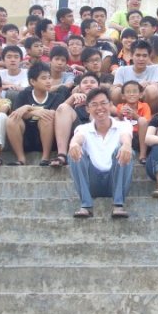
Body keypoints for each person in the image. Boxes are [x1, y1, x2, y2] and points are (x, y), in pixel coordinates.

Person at [68, 87, 134, 218]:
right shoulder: (83, 128)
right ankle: (86, 205)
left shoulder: (123, 125)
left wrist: (127, 145)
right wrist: (73, 144)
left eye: (103, 103)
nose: (99, 108)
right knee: (74, 151)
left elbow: (125, 137)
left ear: (110, 105)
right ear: (88, 109)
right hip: (93, 181)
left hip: (115, 179)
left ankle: (118, 204)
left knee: (125, 150)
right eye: (94, 104)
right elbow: (78, 138)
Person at [6, 62, 65, 166]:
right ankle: (21, 158)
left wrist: (29, 108)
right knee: (12, 120)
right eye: (44, 78)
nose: (48, 81)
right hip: (26, 137)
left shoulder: (57, 97)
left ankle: (45, 158)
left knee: (46, 118)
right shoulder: (24, 95)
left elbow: (52, 113)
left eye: (49, 78)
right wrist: (32, 110)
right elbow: (17, 113)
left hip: (47, 138)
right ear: (32, 81)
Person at [112, 40, 158, 112]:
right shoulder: (122, 70)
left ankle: (149, 116)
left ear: (149, 57)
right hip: (125, 105)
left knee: (152, 90)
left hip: (147, 108)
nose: (141, 59)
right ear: (131, 56)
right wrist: (139, 86)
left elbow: (156, 86)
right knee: (116, 91)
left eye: (144, 56)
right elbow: (116, 88)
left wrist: (129, 89)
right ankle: (121, 114)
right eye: (138, 55)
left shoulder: (155, 68)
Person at [115, 80, 151, 164]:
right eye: (128, 92)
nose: (131, 94)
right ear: (123, 96)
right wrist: (120, 114)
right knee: (116, 119)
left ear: (140, 94)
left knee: (142, 120)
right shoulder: (120, 106)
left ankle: (142, 155)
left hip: (140, 136)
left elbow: (147, 121)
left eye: (135, 91)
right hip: (126, 136)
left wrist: (135, 116)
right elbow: (119, 120)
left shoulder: (145, 106)